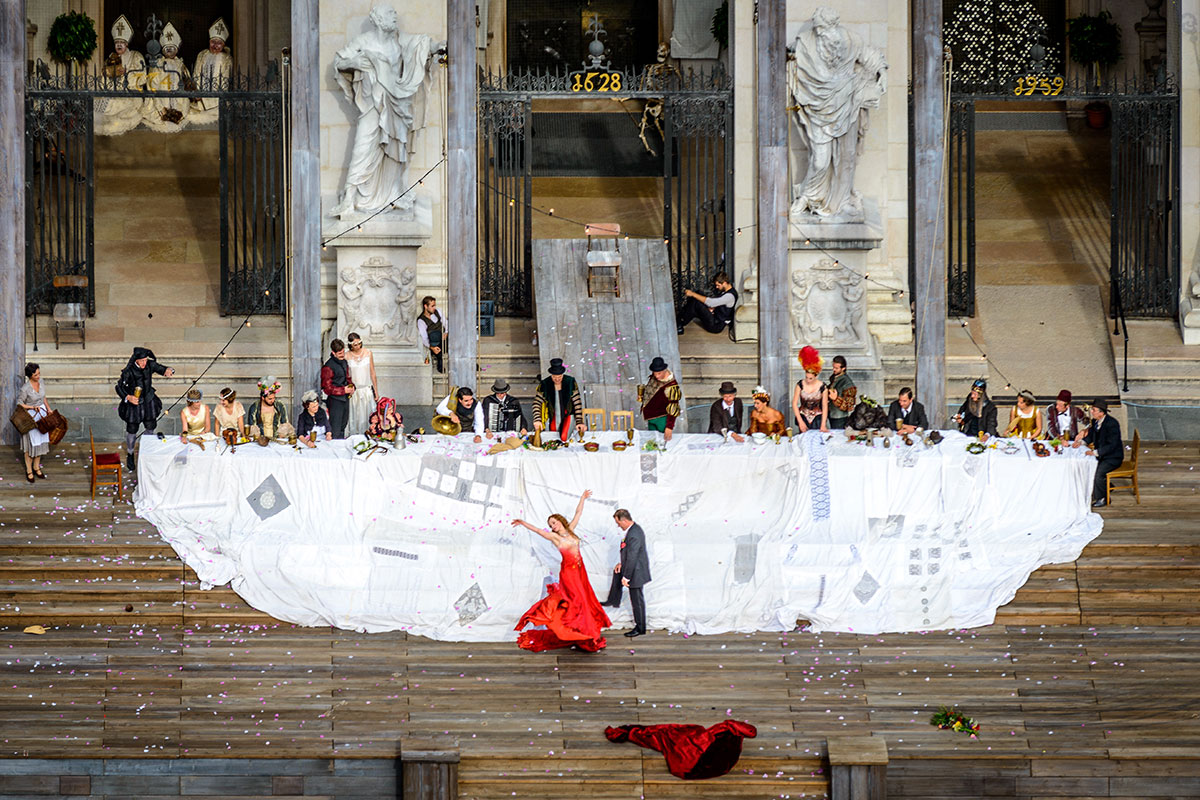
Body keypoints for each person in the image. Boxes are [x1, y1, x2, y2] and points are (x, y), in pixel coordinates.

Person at [329, 5, 441, 216]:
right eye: (390, 14)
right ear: (379, 20)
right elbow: (339, 61)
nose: (394, 17)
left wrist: (439, 46)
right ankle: (349, 198)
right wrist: (354, 61)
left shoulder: (399, 39)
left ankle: (394, 194)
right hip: (373, 107)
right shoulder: (364, 41)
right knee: (362, 148)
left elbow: (422, 45)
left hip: (396, 105)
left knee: (396, 151)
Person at [512, 490, 610, 652]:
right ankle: (572, 630)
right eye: (550, 525)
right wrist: (523, 523)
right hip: (568, 572)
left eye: (554, 522)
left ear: (560, 520)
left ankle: (584, 631)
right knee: (573, 602)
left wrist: (582, 498)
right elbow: (538, 531)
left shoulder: (571, 529)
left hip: (580, 571)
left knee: (583, 601)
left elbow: (578, 513)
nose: (552, 526)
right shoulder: (554, 537)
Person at [116, 347, 176, 470]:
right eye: (141, 361)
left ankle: (147, 451)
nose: (144, 363)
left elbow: (161, 368)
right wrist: (128, 397)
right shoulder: (128, 371)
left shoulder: (149, 364)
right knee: (132, 429)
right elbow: (119, 387)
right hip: (134, 403)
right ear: (136, 360)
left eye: (145, 360)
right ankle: (130, 452)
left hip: (149, 401)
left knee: (150, 426)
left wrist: (168, 371)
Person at [602, 508, 652, 638]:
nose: (617, 525)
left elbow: (633, 557)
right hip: (634, 569)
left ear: (623, 520)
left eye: (618, 522)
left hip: (636, 571)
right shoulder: (633, 530)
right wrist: (621, 564)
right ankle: (612, 600)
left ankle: (640, 628)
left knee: (637, 601)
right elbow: (629, 553)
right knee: (636, 599)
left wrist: (626, 577)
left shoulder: (634, 534)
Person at [1074, 398, 1123, 508]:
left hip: (1112, 457)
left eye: (1094, 410)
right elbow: (1091, 435)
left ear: (1101, 413)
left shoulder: (1112, 424)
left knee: (1098, 473)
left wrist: (1096, 452)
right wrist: (1082, 442)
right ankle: (1105, 484)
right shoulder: (1095, 421)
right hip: (1102, 455)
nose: (1091, 412)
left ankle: (1103, 498)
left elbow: (1112, 445)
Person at [16, 363, 52, 483]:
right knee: (30, 446)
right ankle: (29, 470)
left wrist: (48, 408)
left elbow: (44, 397)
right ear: (30, 376)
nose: (38, 376)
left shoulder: (41, 381)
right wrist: (32, 407)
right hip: (30, 418)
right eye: (35, 374)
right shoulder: (25, 388)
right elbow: (20, 403)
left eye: (39, 373)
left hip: (42, 416)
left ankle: (36, 467)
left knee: (41, 443)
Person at [533, 358, 585, 440]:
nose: (557, 379)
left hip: (567, 416)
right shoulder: (545, 384)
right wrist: (537, 419)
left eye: (559, 377)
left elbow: (577, 403)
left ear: (563, 374)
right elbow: (536, 403)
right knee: (552, 438)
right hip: (552, 417)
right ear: (551, 375)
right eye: (554, 377)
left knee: (564, 437)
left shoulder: (570, 382)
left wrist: (579, 421)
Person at [639, 357, 681, 442]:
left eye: (659, 373)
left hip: (662, 419)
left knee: (663, 443)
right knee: (652, 443)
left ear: (665, 370)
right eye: (655, 373)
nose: (657, 376)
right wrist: (643, 397)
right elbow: (653, 393)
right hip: (651, 418)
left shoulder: (671, 386)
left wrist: (669, 427)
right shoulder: (655, 377)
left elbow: (673, 407)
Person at [345, 332, 378, 436]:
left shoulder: (368, 353)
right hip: (354, 391)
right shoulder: (346, 356)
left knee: (367, 415)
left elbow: (372, 373)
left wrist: (376, 391)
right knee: (355, 416)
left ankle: (368, 435)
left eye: (359, 343)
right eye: (355, 344)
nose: (358, 346)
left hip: (366, 390)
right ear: (350, 345)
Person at [321, 339, 355, 439]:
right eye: (340, 353)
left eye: (343, 352)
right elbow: (326, 388)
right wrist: (343, 390)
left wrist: (352, 386)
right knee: (335, 428)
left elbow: (348, 378)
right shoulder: (328, 367)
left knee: (343, 425)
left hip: (345, 399)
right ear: (333, 353)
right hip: (335, 401)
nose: (342, 355)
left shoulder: (344, 362)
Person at [791, 346, 828, 433]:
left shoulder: (823, 387)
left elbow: (825, 406)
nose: (808, 380)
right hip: (803, 416)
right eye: (806, 377)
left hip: (817, 418)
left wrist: (823, 424)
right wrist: (800, 422)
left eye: (810, 378)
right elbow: (794, 403)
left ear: (816, 376)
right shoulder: (800, 384)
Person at [826, 356, 857, 430]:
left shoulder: (847, 383)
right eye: (833, 367)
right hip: (831, 414)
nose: (834, 370)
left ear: (843, 368)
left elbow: (849, 405)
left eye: (836, 368)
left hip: (840, 418)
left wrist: (836, 399)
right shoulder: (835, 378)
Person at [417, 296, 446, 373]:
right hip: (434, 342)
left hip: (444, 338)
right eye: (432, 306)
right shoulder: (421, 320)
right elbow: (424, 338)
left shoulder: (438, 312)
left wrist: (446, 333)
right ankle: (440, 365)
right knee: (434, 337)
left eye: (435, 305)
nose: (434, 307)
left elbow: (446, 323)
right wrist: (432, 347)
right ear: (426, 306)